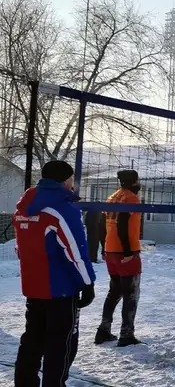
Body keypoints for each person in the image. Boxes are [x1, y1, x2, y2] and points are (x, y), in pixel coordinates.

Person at [12, 160, 96, 386]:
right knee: (60, 345)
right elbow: (74, 252)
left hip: (34, 287)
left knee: (32, 340)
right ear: (65, 180)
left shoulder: (23, 207)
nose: (73, 184)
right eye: (72, 179)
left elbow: (21, 248)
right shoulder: (62, 209)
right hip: (60, 290)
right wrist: (87, 283)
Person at [95, 169, 144, 347]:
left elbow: (101, 225)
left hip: (110, 251)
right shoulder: (131, 198)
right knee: (131, 294)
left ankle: (103, 330)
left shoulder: (112, 197)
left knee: (114, 292)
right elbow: (123, 223)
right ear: (133, 182)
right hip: (125, 252)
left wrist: (104, 247)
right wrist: (128, 251)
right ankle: (126, 335)